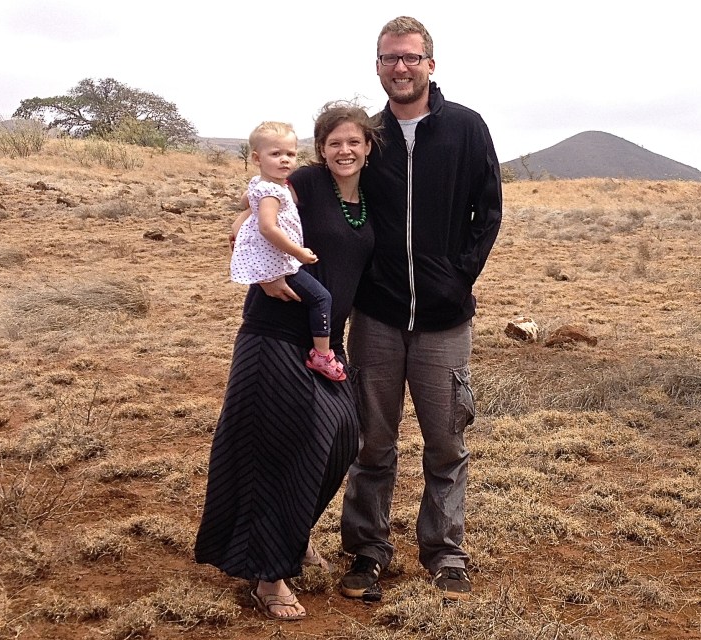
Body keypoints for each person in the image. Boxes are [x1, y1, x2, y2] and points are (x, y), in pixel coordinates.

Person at [338, 16, 503, 602]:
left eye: (411, 57)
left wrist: (457, 279)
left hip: (444, 320)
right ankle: (366, 551)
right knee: (371, 444)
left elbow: (489, 211)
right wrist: (255, 214)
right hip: (377, 317)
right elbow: (320, 188)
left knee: (446, 442)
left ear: (431, 63)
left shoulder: (465, 128)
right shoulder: (368, 135)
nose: (401, 68)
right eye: (390, 59)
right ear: (377, 66)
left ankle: (444, 552)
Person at [194, 102, 378, 621]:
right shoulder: (306, 182)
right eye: (335, 142)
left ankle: (290, 536)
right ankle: (268, 576)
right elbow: (252, 213)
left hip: (325, 339)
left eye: (355, 142)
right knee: (280, 449)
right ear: (321, 149)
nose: (345, 151)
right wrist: (256, 264)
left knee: (342, 434)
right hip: (275, 332)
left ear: (368, 147)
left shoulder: (370, 194)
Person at [230, 121, 345, 382]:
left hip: (276, 260)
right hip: (279, 263)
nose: (285, 160)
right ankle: (322, 355)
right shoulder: (272, 191)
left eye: (290, 154)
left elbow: (245, 204)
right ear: (257, 158)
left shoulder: (267, 185)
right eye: (276, 154)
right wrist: (300, 253)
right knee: (321, 299)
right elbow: (268, 228)